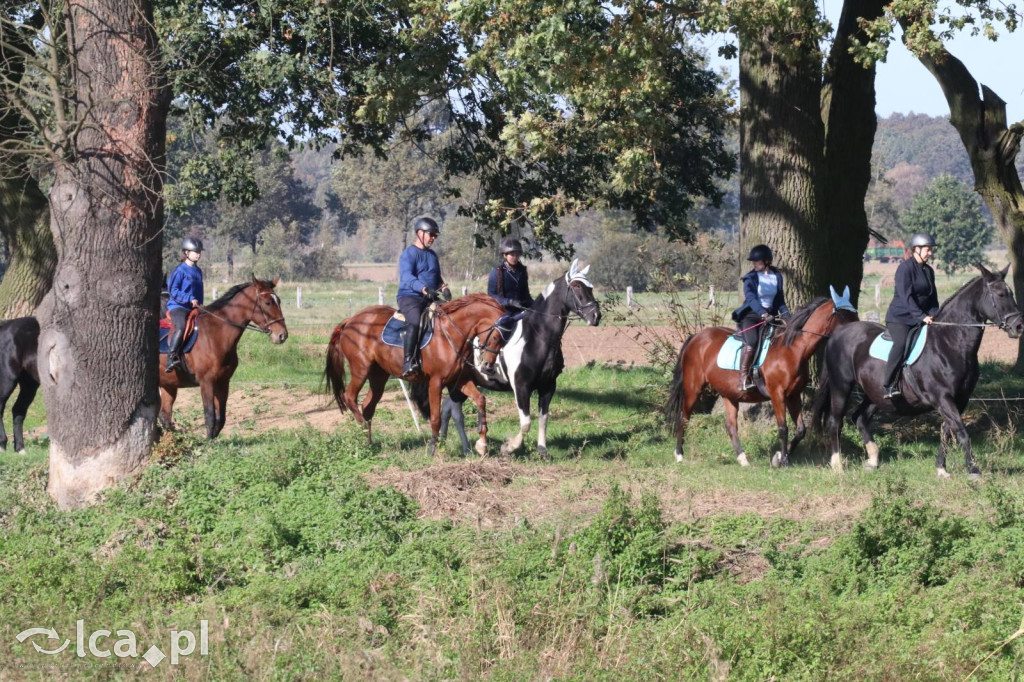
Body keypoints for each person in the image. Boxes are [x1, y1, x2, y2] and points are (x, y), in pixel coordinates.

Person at [883, 232, 939, 398]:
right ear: (917, 249)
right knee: (900, 344)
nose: (930, 253)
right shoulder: (904, 269)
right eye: (928, 250)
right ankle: (888, 384)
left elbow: (933, 298)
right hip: (900, 318)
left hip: (921, 318)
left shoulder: (929, 271)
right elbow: (906, 297)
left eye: (930, 250)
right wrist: (922, 316)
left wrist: (936, 315)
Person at [731, 244, 791, 391]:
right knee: (752, 342)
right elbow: (751, 299)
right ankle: (744, 377)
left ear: (766, 261)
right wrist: (763, 314)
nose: (754, 264)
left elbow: (779, 300)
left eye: (757, 262)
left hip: (770, 316)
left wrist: (788, 317)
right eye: (753, 262)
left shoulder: (776, 276)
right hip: (752, 315)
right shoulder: (749, 278)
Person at [397, 217, 450, 378]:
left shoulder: (432, 255)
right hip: (410, 297)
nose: (433, 238)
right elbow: (407, 276)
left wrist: (444, 287)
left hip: (429, 297)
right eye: (431, 234)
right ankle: (408, 361)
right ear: (420, 233)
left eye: (435, 235)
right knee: (413, 321)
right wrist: (424, 289)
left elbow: (436, 276)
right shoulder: (409, 253)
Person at [165, 237, 204, 372]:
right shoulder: (180, 270)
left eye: (199, 252)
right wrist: (189, 298)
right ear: (186, 253)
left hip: (194, 308)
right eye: (195, 252)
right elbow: (173, 290)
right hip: (178, 307)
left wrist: (201, 304)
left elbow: (199, 291)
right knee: (181, 327)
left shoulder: (198, 271)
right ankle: (171, 358)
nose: (198, 254)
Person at [487, 237, 534, 317]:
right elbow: (491, 295)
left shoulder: (522, 271)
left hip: (520, 311)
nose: (515, 257)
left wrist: (535, 304)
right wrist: (508, 301)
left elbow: (525, 294)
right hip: (502, 312)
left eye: (517, 255)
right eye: (512, 255)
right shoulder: (496, 272)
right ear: (505, 255)